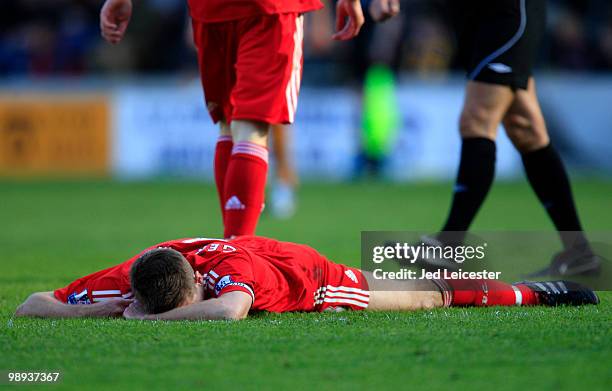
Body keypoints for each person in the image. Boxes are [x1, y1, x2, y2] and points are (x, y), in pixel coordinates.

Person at [370, 0, 602, 277]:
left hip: (509, 12)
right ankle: (580, 253)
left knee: (477, 119)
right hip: (481, 16)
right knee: (525, 129)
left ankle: (448, 245)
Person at [99, 0, 364, 238]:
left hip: (210, 10)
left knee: (229, 123)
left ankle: (232, 245)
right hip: (270, 8)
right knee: (251, 124)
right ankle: (237, 253)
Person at [15, 236, 598, 320]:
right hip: (275, 257)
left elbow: (228, 310)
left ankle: (533, 290)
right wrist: (105, 308)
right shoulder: (130, 275)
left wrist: (149, 318)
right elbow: (31, 307)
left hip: (308, 275)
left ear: (197, 273)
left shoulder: (228, 276)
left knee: (429, 297)